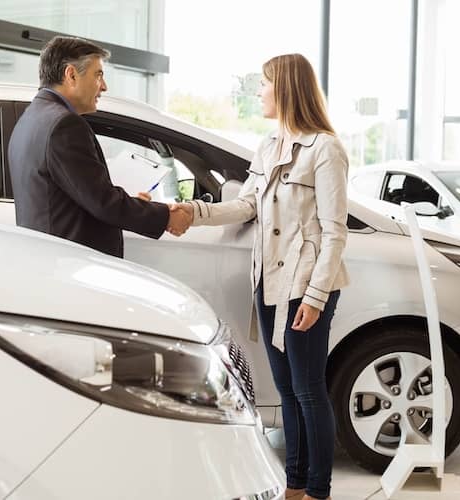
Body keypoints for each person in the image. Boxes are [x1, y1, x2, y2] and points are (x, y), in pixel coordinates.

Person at [173, 53, 349, 500]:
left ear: (286, 88)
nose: (259, 92)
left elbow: (334, 232)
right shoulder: (268, 145)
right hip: (268, 283)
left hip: (305, 287)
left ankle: (318, 490)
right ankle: (294, 484)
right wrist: (191, 212)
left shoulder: (325, 149)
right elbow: (246, 206)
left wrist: (315, 296)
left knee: (309, 390)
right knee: (287, 390)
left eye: (264, 84)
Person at [8, 36, 192, 258]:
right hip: (70, 264)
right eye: (99, 75)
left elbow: (75, 194)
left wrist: (128, 201)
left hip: (48, 257)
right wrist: (166, 217)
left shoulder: (31, 118)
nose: (104, 86)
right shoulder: (64, 125)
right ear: (71, 75)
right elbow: (103, 203)